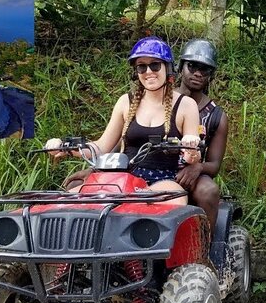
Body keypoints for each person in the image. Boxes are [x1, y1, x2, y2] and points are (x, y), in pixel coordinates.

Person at [46, 36, 201, 205]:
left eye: (155, 65)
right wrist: (66, 147)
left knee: (172, 202)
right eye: (141, 67)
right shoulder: (125, 102)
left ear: (168, 68)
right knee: (67, 201)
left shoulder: (186, 105)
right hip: (124, 176)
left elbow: (192, 156)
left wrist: (191, 147)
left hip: (163, 179)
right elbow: (101, 147)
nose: (148, 71)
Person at [175, 38, 228, 236]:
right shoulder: (160, 100)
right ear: (181, 67)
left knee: (209, 191)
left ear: (211, 76)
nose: (197, 73)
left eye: (204, 69)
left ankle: (203, 251)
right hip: (155, 164)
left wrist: (197, 168)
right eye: (192, 66)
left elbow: (214, 164)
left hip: (191, 170)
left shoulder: (216, 116)